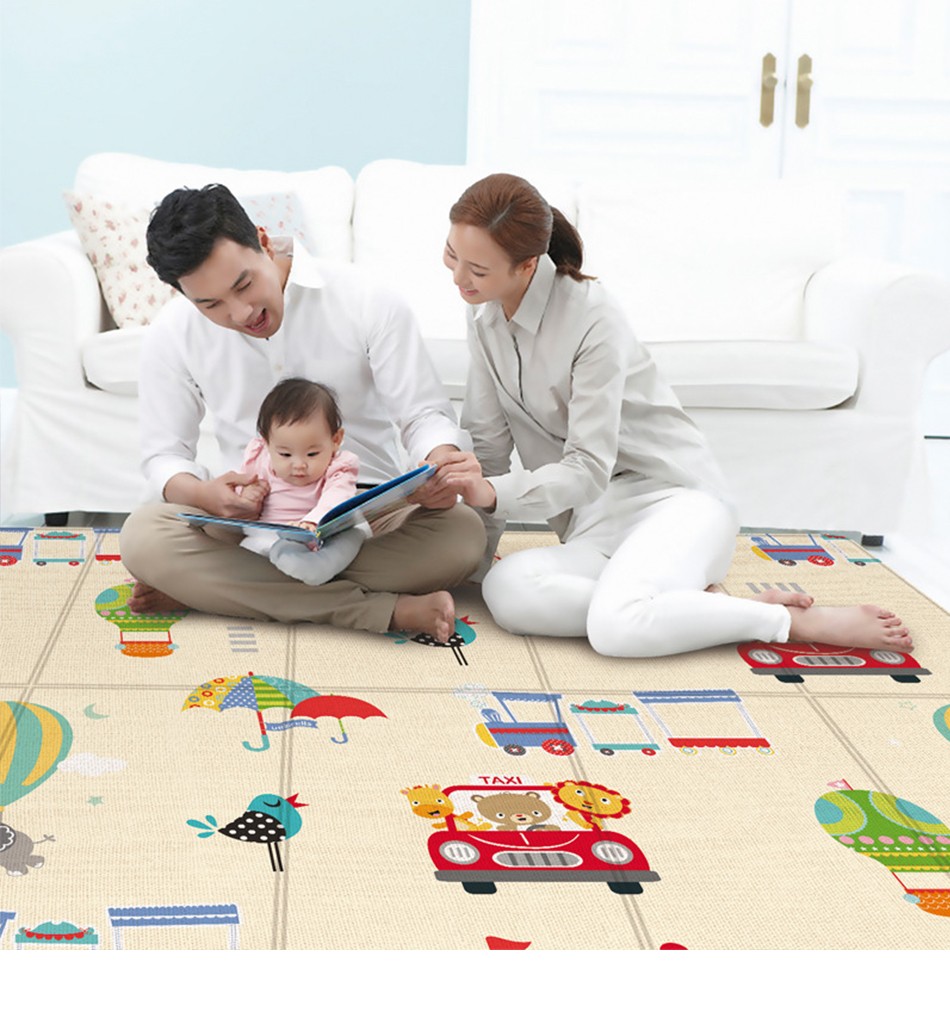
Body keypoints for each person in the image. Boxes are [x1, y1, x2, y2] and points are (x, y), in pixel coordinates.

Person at [430, 173, 913, 657]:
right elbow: (487, 444)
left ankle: (788, 621)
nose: (458, 278)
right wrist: (471, 561)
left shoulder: (592, 316)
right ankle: (695, 609)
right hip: (593, 524)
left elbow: (587, 468)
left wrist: (493, 493)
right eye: (453, 255)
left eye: (477, 269)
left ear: (527, 265)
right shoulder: (483, 313)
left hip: (674, 503)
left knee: (615, 631)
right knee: (507, 590)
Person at [120, 183, 486, 643]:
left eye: (243, 284)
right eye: (210, 305)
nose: (241, 313)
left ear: (263, 240)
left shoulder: (366, 298)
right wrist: (204, 495)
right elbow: (164, 455)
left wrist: (440, 464)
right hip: (251, 524)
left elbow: (423, 415)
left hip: (367, 516)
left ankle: (216, 588)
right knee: (142, 536)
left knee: (462, 536)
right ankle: (384, 610)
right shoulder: (171, 334)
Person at [236, 377, 370, 586]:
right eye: (285, 454)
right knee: (246, 553)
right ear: (266, 443)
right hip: (271, 534)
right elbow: (240, 486)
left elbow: (337, 497)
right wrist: (246, 494)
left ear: (335, 440)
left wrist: (314, 521)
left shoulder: (338, 467)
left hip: (324, 534)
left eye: (312, 454)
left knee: (353, 535)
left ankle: (320, 566)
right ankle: (291, 566)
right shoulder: (260, 459)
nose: (299, 465)